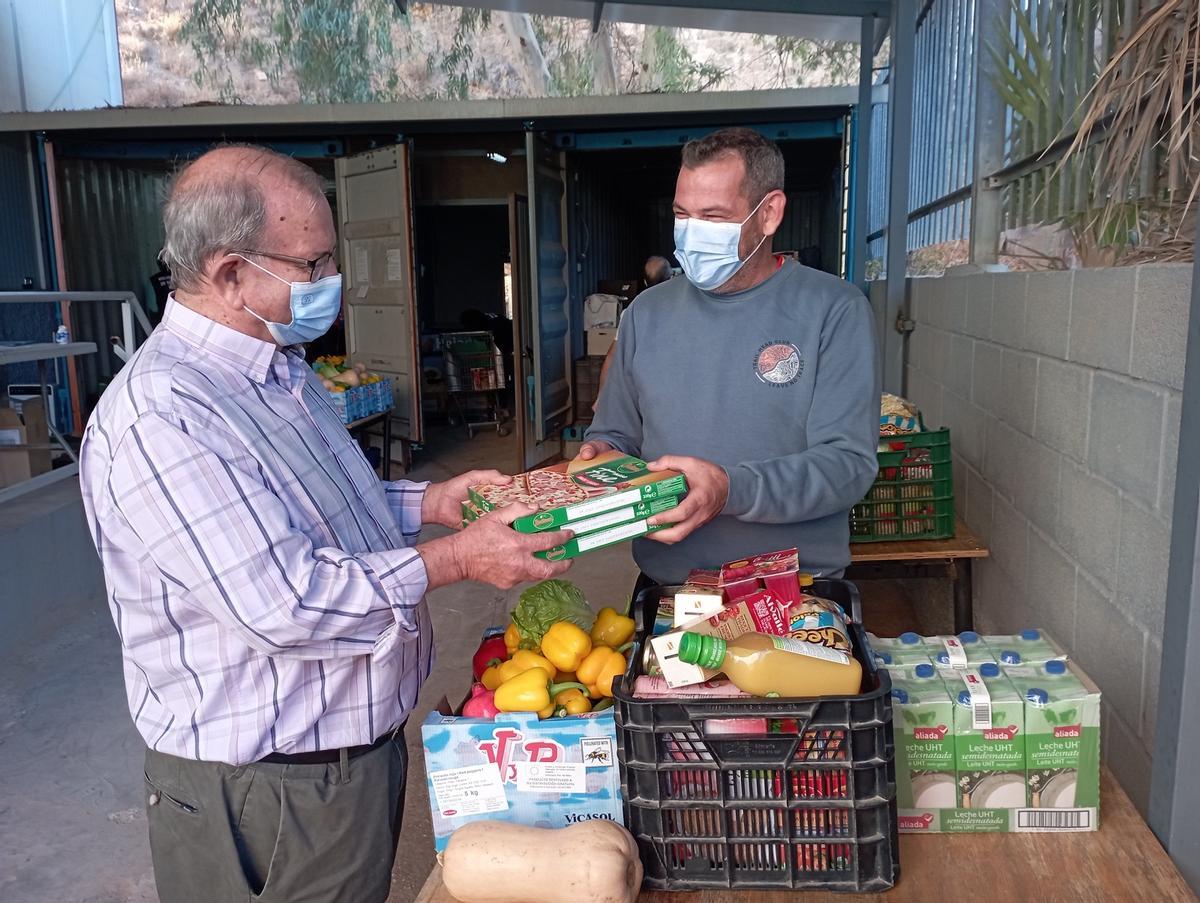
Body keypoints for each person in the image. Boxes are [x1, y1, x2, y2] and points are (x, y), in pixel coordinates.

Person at [78, 145, 570, 903]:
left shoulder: (278, 368)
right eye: (309, 266)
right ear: (230, 272)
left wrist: (437, 504)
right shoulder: (163, 416)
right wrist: (458, 558)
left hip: (343, 765)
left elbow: (320, 508)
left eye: (327, 260)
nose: (329, 285)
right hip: (267, 793)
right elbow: (287, 599)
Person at [582, 127, 879, 585]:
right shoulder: (648, 313)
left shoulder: (834, 310)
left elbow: (847, 466)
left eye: (714, 216)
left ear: (769, 213)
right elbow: (616, 435)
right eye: (682, 214)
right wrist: (601, 457)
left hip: (795, 590)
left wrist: (729, 489)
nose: (692, 232)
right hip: (672, 584)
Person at [595, 255, 674, 404]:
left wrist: (601, 397)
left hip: (641, 392)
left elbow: (612, 356)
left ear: (644, 282)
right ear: (671, 279)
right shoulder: (682, 310)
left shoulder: (632, 312)